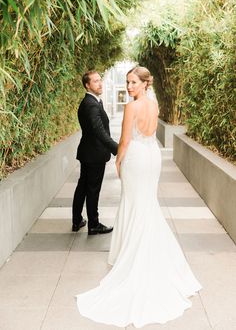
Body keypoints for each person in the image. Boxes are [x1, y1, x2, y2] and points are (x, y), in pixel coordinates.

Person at [76, 66, 202, 327]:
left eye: (134, 82)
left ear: (145, 83)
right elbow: (150, 134)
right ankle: (148, 251)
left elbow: (124, 142)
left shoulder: (132, 108)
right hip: (151, 156)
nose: (129, 87)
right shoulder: (154, 104)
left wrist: (119, 162)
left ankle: (131, 253)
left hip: (135, 157)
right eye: (127, 82)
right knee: (145, 204)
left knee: (134, 204)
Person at [72, 70, 118, 235]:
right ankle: (94, 224)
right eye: (96, 81)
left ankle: (77, 221)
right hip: (94, 154)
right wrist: (116, 148)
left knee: (83, 186)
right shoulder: (91, 104)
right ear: (87, 85)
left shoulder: (91, 102)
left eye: (100, 80)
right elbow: (99, 130)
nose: (100, 83)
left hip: (88, 152)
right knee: (92, 189)